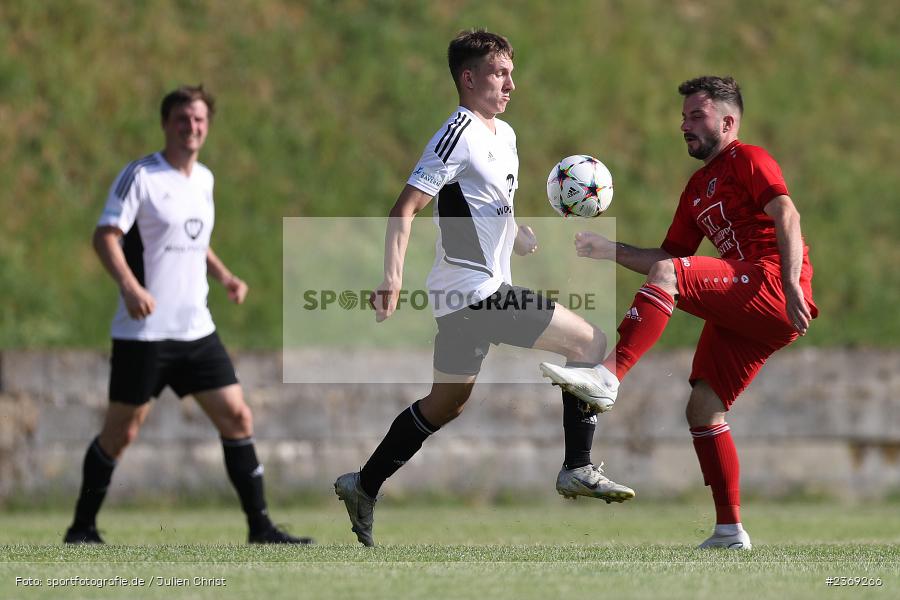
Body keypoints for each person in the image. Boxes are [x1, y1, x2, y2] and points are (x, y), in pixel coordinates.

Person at [334, 29, 634, 547]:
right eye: (499, 74)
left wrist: (515, 235)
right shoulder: (457, 133)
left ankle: (363, 484)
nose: (510, 83)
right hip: (474, 293)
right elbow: (406, 206)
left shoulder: (505, 135)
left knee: (445, 404)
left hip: (470, 295)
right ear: (468, 78)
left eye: (511, 73)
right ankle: (577, 467)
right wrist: (391, 276)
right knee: (591, 343)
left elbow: (480, 204)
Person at [541, 76, 817, 550]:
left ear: (728, 122)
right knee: (704, 408)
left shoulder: (749, 159)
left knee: (672, 274)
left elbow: (786, 214)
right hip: (750, 305)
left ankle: (610, 376)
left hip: (773, 285)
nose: (684, 125)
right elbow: (667, 258)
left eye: (697, 116)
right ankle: (730, 531)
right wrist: (611, 250)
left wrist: (791, 281)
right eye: (684, 116)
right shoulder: (696, 188)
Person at [64, 85, 312, 545]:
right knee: (122, 432)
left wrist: (225, 276)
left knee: (238, 418)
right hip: (145, 335)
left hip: (196, 330)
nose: (191, 127)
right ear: (166, 123)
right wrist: (131, 287)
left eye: (199, 120)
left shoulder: (205, 180)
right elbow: (105, 236)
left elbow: (194, 242)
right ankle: (81, 528)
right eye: (182, 119)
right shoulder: (141, 176)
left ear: (207, 126)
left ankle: (261, 529)